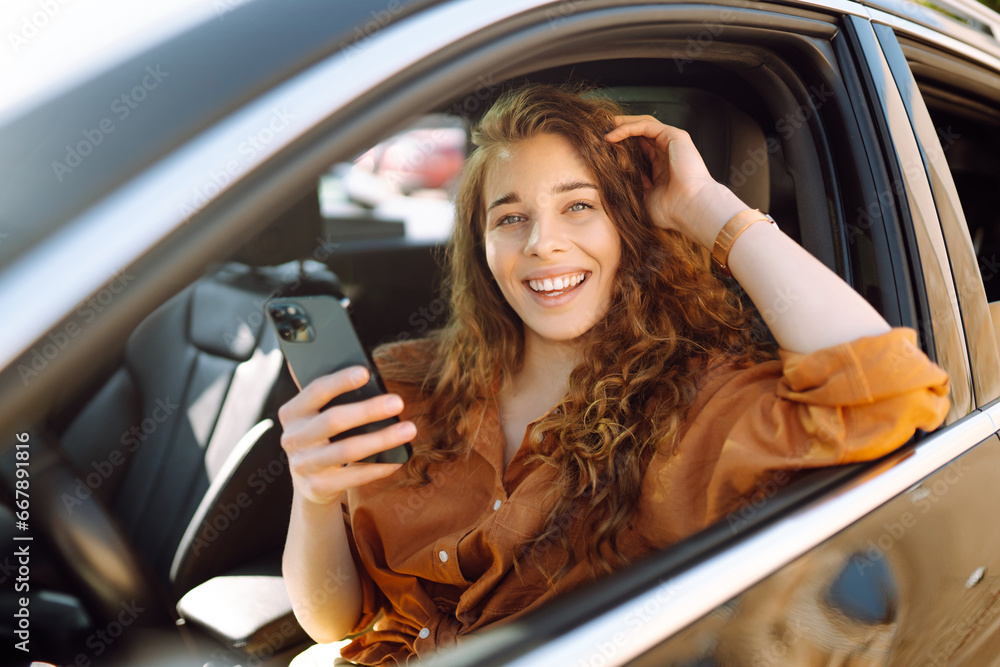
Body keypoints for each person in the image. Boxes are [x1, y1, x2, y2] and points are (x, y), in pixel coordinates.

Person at [279, 84, 950, 666]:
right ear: (481, 247)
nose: (542, 242)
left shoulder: (696, 407)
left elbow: (887, 392)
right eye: (510, 217)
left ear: (629, 227)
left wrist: (708, 206)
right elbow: (340, 623)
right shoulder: (406, 383)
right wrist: (311, 498)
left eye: (579, 206)